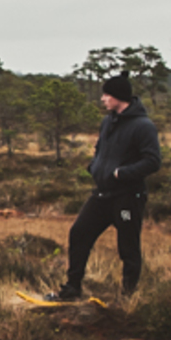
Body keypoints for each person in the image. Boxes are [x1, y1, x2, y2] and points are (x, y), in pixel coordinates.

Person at [43, 74, 161, 301]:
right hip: (102, 194)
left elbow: (153, 161)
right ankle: (72, 289)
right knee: (79, 233)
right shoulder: (107, 122)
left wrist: (121, 173)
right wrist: (95, 167)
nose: (103, 99)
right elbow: (100, 149)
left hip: (128, 197)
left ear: (119, 97)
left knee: (128, 247)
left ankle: (127, 298)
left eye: (107, 94)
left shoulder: (143, 126)